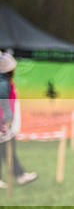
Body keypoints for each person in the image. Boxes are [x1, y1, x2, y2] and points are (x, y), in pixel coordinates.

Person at [0, 50, 38, 188]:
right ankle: (20, 175)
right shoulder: (3, 84)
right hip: (4, 124)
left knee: (7, 150)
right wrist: (6, 121)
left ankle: (20, 175)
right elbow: (3, 103)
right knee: (6, 149)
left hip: (5, 124)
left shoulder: (6, 82)